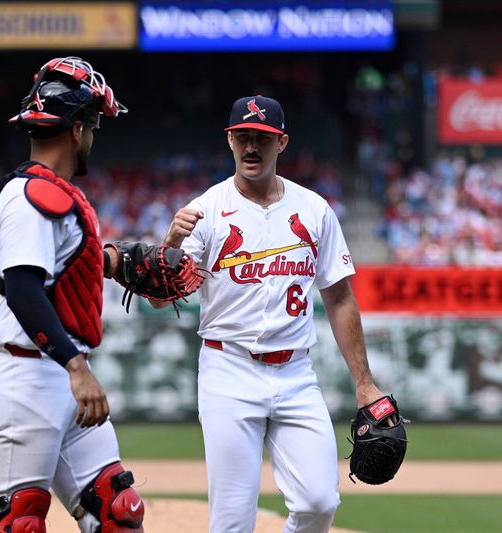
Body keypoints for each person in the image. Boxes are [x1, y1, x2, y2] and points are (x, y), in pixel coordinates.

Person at [160, 95, 387, 532]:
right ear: (229, 140)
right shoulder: (205, 211)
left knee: (320, 501)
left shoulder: (315, 209)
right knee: (232, 520)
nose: (251, 146)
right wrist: (169, 246)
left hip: (295, 373)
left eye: (261, 138)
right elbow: (159, 298)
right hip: (228, 368)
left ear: (281, 143)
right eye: (242, 136)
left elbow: (340, 298)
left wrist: (365, 382)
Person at [0, 57, 144, 533]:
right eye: (95, 124)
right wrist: (77, 367)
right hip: (28, 376)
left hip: (56, 374)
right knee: (13, 525)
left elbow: (56, 277)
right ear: (79, 128)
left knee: (118, 512)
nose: (94, 136)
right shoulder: (31, 196)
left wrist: (113, 263)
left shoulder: (51, 193)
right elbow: (24, 290)